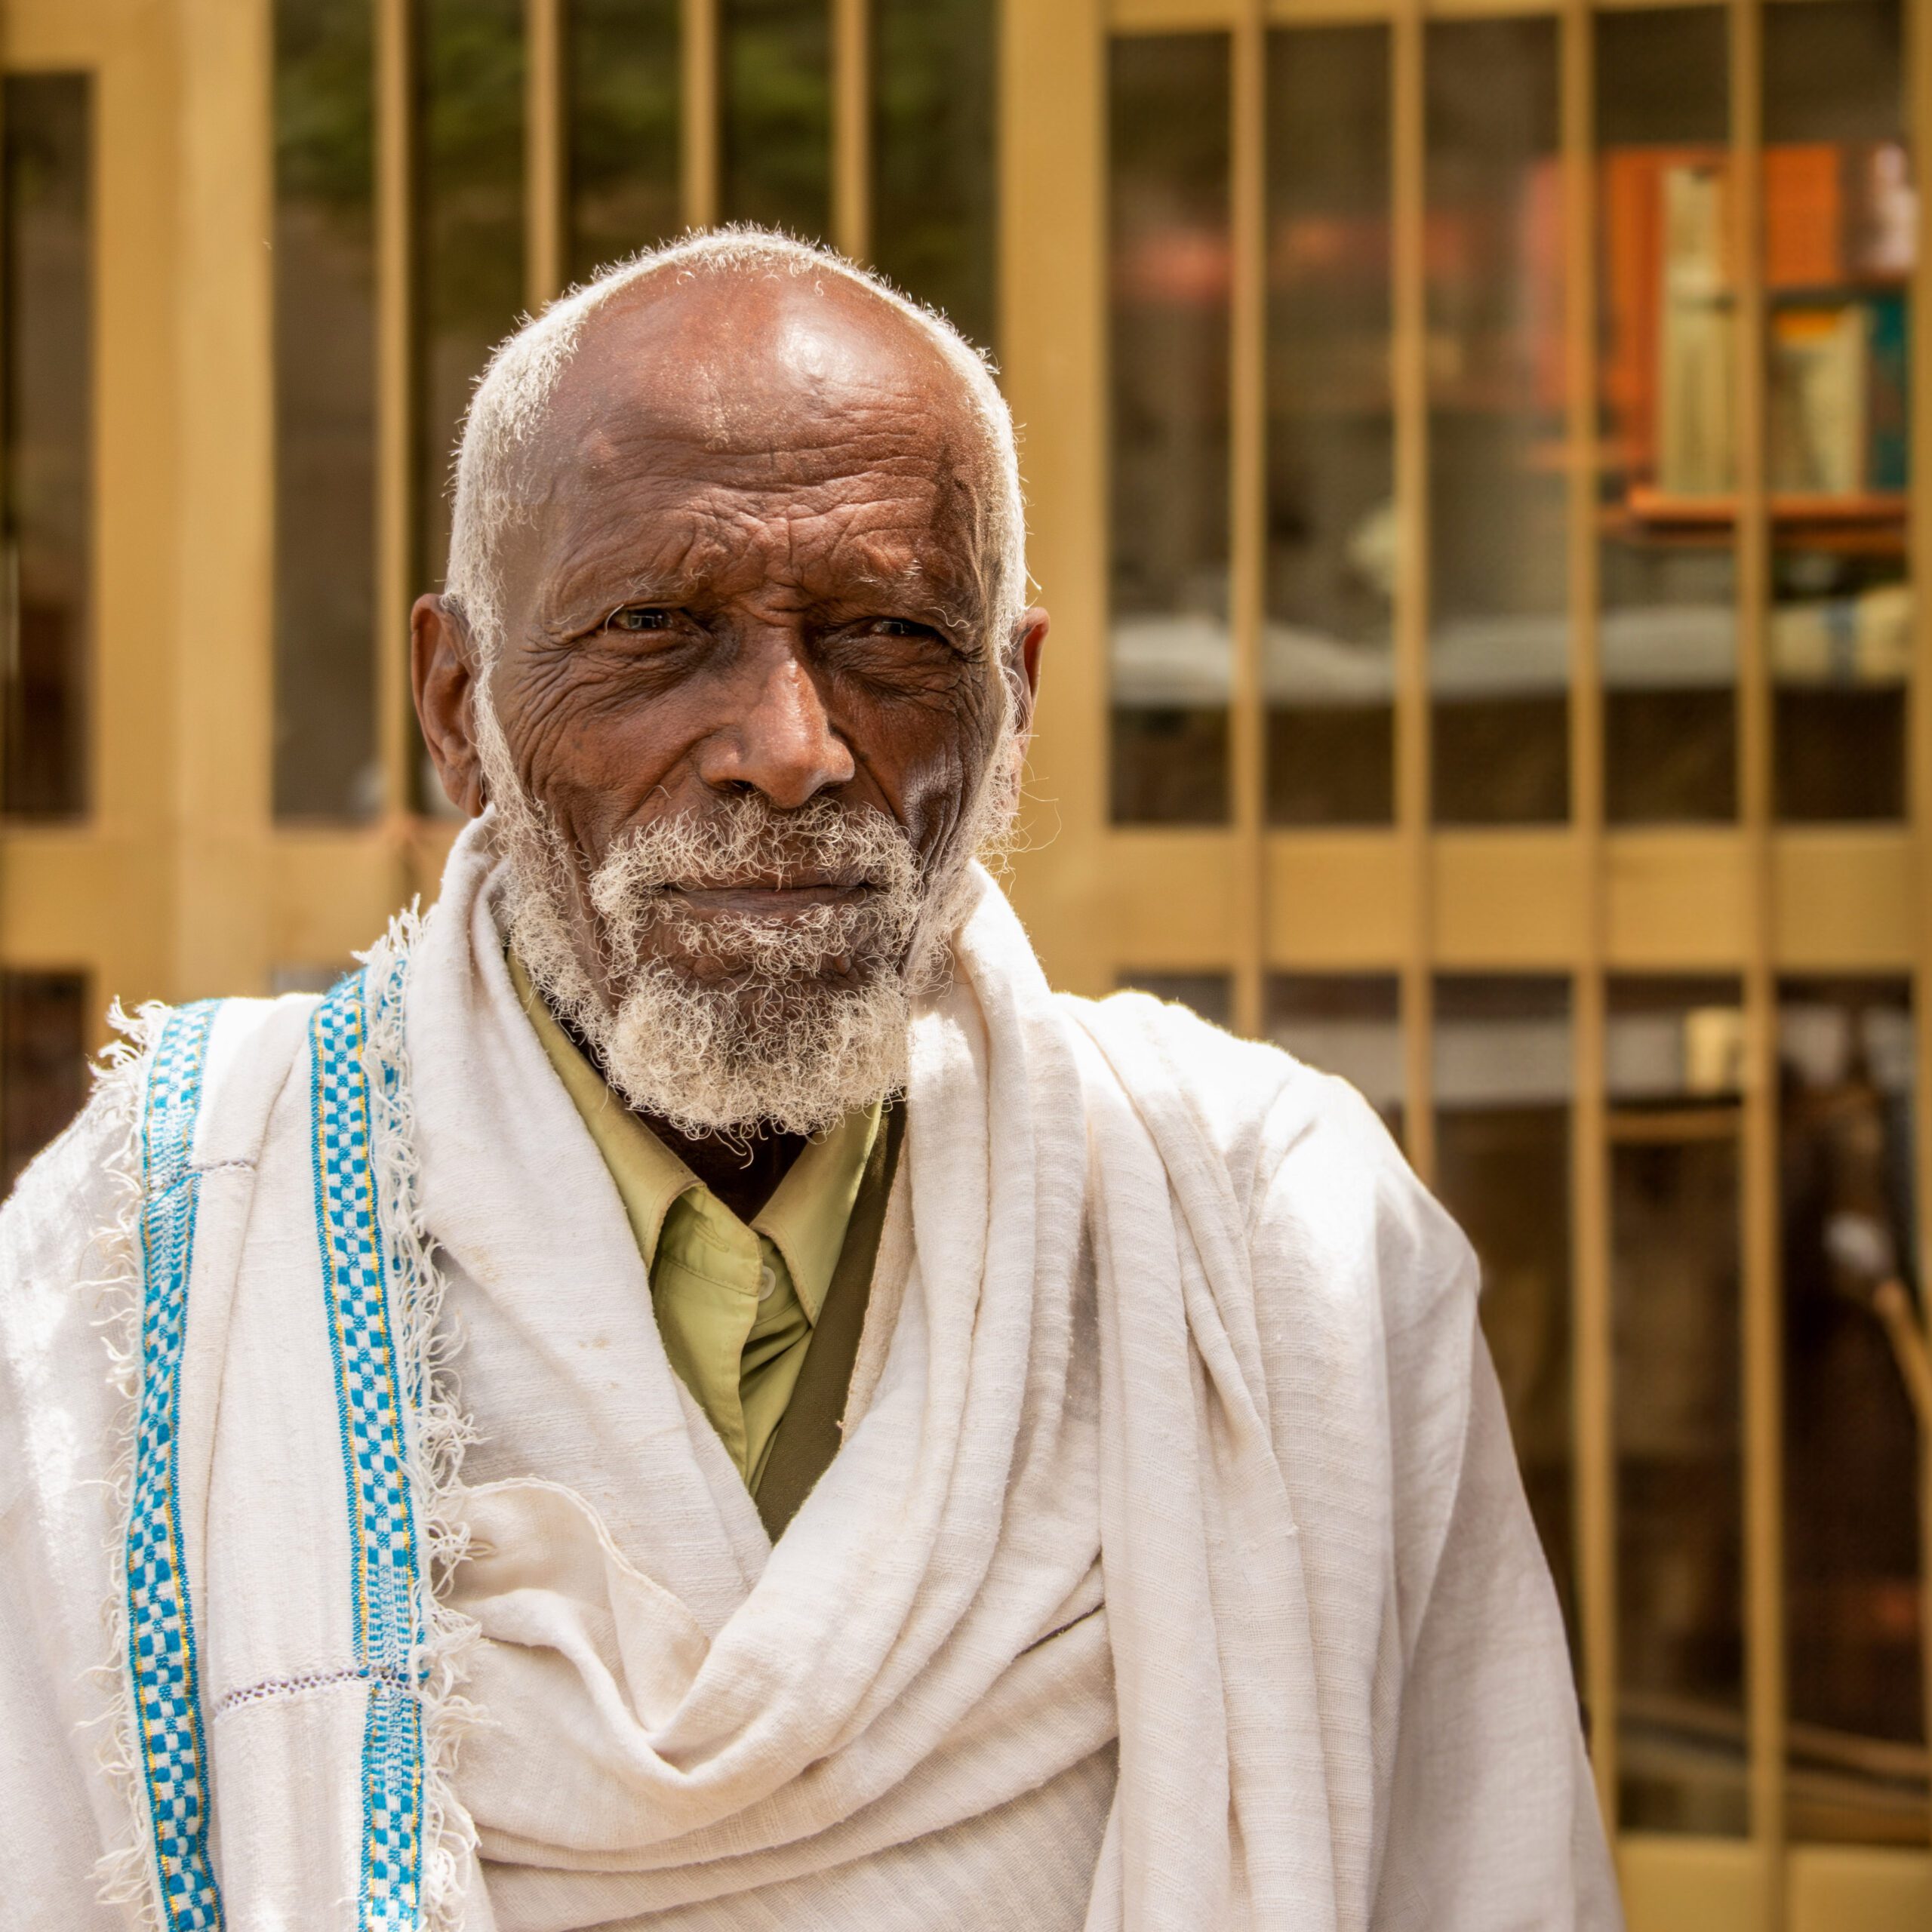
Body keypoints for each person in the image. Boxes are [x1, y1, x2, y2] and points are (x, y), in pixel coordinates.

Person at [0, 229, 1619, 1931]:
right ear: (458, 698)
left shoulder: (1284, 1239)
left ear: (1010, 691)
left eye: (884, 632)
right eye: (654, 624)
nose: (788, 742)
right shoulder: (152, 1255)